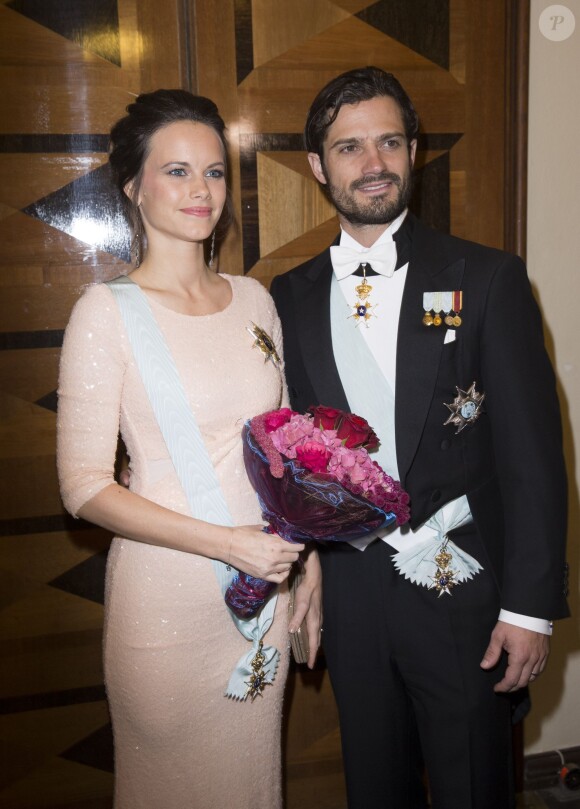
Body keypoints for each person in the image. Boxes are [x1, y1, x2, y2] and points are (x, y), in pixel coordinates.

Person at [270, 67, 569, 809]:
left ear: (414, 151)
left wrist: (529, 608)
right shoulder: (286, 296)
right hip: (353, 590)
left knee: (475, 785)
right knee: (375, 785)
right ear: (317, 166)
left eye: (389, 143)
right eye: (349, 148)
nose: (373, 165)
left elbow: (533, 460)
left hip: (462, 581)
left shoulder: (490, 279)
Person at [56, 89, 321, 809]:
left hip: (265, 585)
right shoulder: (104, 313)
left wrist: (310, 560)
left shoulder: (254, 299)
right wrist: (225, 543)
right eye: (175, 171)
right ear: (134, 188)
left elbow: (285, 451)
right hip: (168, 608)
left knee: (252, 785)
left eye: (212, 171)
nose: (200, 190)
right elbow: (81, 486)